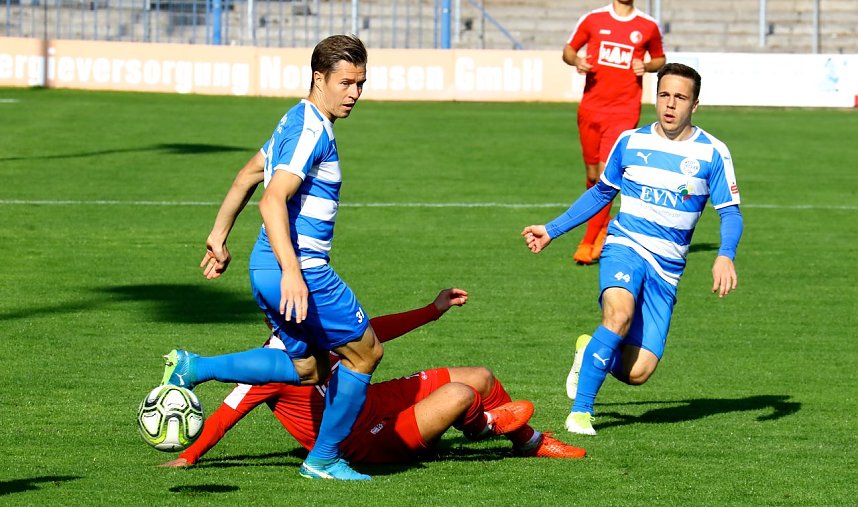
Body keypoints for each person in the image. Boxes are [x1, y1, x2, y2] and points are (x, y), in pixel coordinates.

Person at [161, 35, 383, 480]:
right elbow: (271, 199)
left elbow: (248, 175)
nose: (355, 94)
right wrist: (294, 272)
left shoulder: (294, 118)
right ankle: (323, 460)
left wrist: (218, 236)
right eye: (346, 83)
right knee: (365, 354)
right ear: (319, 78)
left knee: (309, 367)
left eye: (361, 83)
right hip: (299, 269)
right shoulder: (311, 130)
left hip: (265, 266)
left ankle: (194, 366)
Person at [522, 63, 743, 436]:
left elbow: (730, 213)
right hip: (625, 245)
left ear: (695, 104)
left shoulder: (713, 154)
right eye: (664, 95)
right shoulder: (630, 142)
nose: (670, 105)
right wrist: (552, 230)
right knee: (619, 315)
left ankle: (588, 349)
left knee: (638, 371)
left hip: (667, 269)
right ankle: (581, 413)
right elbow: (602, 192)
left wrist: (725, 254)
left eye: (680, 97)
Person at [161, 289, 586, 469]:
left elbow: (374, 331)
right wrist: (190, 456)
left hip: (377, 402)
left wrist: (432, 310)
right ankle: (490, 427)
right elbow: (228, 412)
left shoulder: (317, 329)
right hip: (363, 439)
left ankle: (520, 437)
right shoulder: (269, 365)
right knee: (459, 394)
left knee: (479, 376)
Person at [563, 0, 665, 265]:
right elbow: (568, 51)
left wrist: (648, 66)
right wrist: (577, 60)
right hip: (591, 109)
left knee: (607, 174)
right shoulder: (593, 20)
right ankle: (603, 223)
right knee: (592, 175)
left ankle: (588, 241)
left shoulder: (647, 25)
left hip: (624, 111)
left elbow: (659, 58)